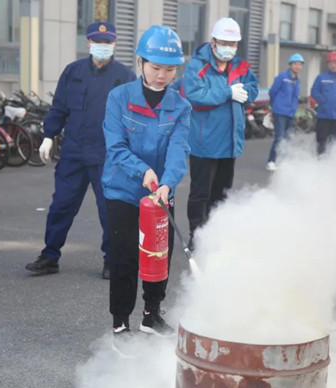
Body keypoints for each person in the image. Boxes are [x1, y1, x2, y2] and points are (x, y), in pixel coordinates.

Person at [101, 25, 191, 352]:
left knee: (159, 257)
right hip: (123, 191)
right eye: (155, 67)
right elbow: (116, 146)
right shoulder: (119, 98)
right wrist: (144, 172)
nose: (162, 75)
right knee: (124, 258)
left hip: (161, 194)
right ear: (140, 62)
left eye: (169, 69)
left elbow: (180, 150)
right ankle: (120, 322)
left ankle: (151, 316)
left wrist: (167, 182)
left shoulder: (180, 107)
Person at [25, 22, 136, 279]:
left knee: (109, 210)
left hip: (107, 154)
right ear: (88, 42)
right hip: (74, 152)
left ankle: (112, 259)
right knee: (61, 205)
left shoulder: (125, 76)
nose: (103, 47)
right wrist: (48, 136)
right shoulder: (72, 72)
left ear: (115, 44)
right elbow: (59, 108)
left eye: (108, 42)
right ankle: (50, 256)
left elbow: (134, 118)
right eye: (98, 42)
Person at [183, 17, 258, 249]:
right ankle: (197, 234)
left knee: (222, 193)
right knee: (200, 194)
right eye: (224, 42)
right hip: (203, 143)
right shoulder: (197, 66)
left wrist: (246, 93)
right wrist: (227, 93)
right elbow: (194, 95)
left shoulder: (241, 66)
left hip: (229, 143)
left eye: (233, 43)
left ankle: (216, 235)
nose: (229, 48)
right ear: (213, 41)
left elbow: (253, 87)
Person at [266, 53, 303, 172]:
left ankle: (282, 161)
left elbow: (295, 97)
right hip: (280, 112)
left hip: (290, 113)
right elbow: (272, 92)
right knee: (279, 137)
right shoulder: (282, 77)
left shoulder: (298, 81)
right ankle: (271, 161)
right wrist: (275, 106)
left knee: (288, 138)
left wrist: (294, 110)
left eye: (299, 64)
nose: (297, 66)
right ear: (291, 65)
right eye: (295, 64)